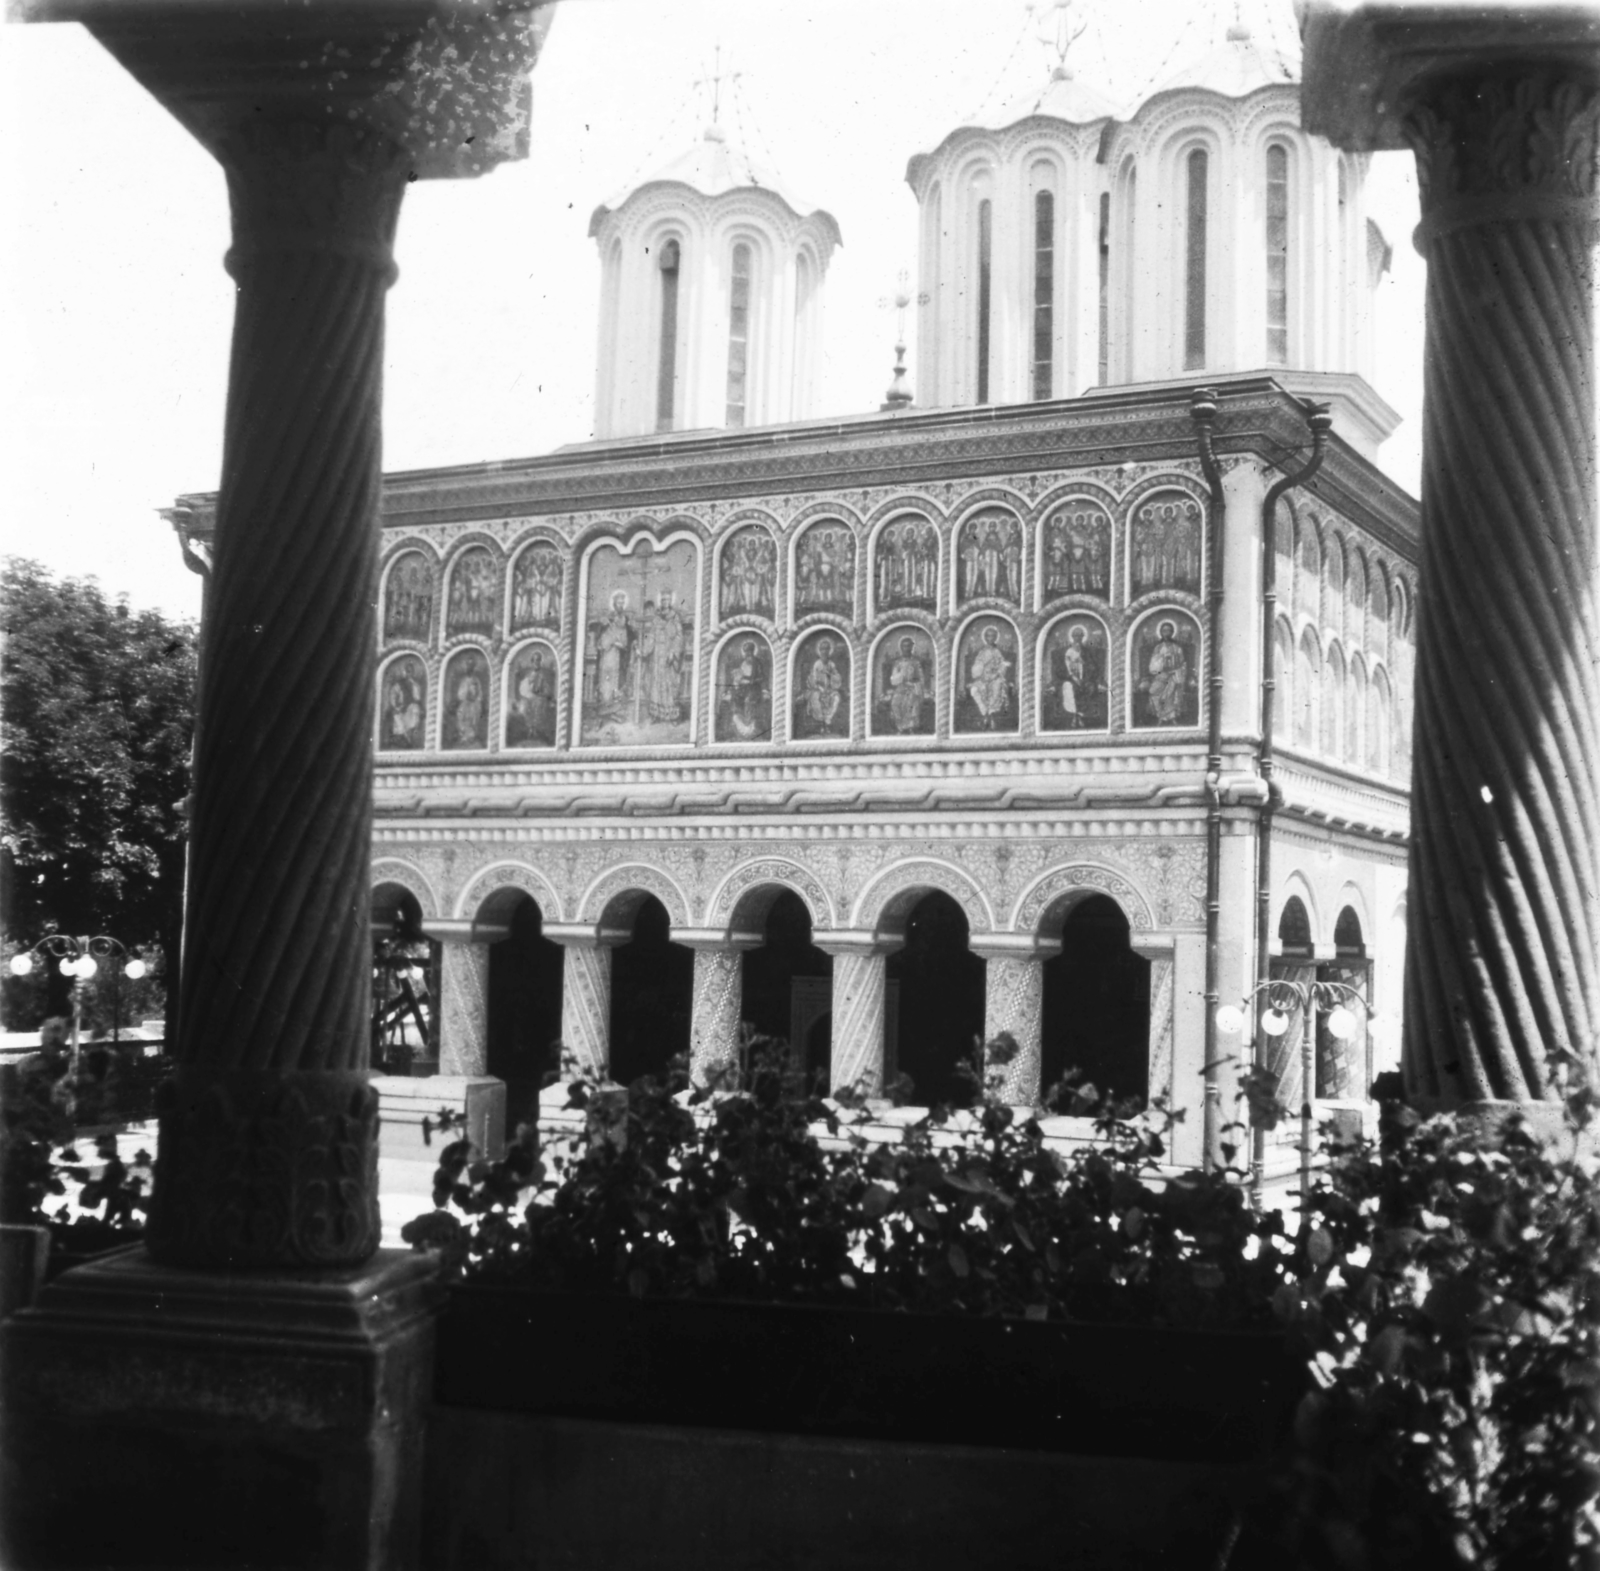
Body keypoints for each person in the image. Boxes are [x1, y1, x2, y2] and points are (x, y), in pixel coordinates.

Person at [720, 637, 770, 741]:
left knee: (749, 700)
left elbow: (762, 677)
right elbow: (736, 677)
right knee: (734, 698)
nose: (748, 655)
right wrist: (734, 685)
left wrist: (752, 681)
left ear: (753, 652)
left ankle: (750, 724)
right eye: (746, 653)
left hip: (754, 688)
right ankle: (735, 726)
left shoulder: (758, 663)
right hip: (742, 688)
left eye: (750, 653)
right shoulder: (741, 663)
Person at [966, 625, 1012, 729]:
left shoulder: (997, 651)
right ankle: (984, 713)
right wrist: (980, 673)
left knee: (997, 686)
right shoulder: (981, 652)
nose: (990, 638)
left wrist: (996, 673)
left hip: (995, 678)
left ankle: (991, 715)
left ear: (996, 638)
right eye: (988, 636)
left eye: (992, 636)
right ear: (985, 637)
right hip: (983, 678)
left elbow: (1002, 664)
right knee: (974, 689)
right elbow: (977, 665)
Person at [1146, 620, 1189, 724]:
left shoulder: (1177, 648)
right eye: (1164, 631)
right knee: (1153, 691)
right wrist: (1161, 665)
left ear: (1172, 632)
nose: (1167, 633)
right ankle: (1160, 715)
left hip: (1174, 675)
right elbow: (1153, 665)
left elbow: (1183, 663)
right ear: (1161, 632)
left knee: (1172, 693)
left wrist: (1176, 670)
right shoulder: (1158, 648)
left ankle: (1172, 717)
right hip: (1161, 675)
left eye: (1169, 631)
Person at [595, 591, 631, 714]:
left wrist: (616, 643)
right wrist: (607, 639)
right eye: (618, 603)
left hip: (616, 656)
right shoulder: (607, 620)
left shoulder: (623, 622)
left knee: (615, 681)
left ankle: (613, 709)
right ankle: (604, 706)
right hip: (606, 656)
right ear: (614, 604)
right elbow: (600, 642)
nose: (620, 605)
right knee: (605, 680)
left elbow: (625, 642)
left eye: (622, 603)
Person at [884, 635, 927, 734]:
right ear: (901, 648)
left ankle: (910, 727)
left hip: (913, 688)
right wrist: (900, 676)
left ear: (912, 647)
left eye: (908, 646)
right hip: (900, 688)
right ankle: (900, 727)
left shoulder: (915, 662)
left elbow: (921, 678)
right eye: (904, 646)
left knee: (910, 702)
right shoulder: (898, 663)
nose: (906, 648)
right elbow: (893, 679)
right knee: (895, 703)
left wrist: (915, 684)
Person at [802, 635, 844, 735]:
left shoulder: (831, 664)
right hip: (818, 689)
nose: (824, 652)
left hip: (830, 690)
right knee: (816, 698)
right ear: (819, 651)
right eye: (822, 649)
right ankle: (821, 723)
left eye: (826, 649)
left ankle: (827, 721)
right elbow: (813, 679)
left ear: (829, 651)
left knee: (836, 697)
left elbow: (837, 677)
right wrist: (820, 687)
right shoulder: (817, 664)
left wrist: (831, 676)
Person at [1058, 625, 1089, 728]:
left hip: (1085, 678)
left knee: (1087, 688)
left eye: (1080, 636)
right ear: (1072, 637)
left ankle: (1080, 717)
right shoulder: (1067, 651)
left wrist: (1084, 664)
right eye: (1075, 636)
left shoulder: (1086, 651)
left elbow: (1092, 666)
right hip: (1070, 678)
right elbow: (1063, 668)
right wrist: (1072, 676)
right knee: (1069, 688)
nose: (1078, 638)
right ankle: (1075, 716)